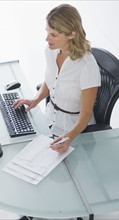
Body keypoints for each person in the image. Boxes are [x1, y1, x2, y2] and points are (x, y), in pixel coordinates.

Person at [13, 3, 101, 154]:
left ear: (71, 34)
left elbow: (86, 113)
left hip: (75, 130)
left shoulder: (87, 66)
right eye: (47, 32)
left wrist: (69, 138)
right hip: (50, 118)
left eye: (54, 35)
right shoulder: (51, 50)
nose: (47, 38)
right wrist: (36, 99)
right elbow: (51, 80)